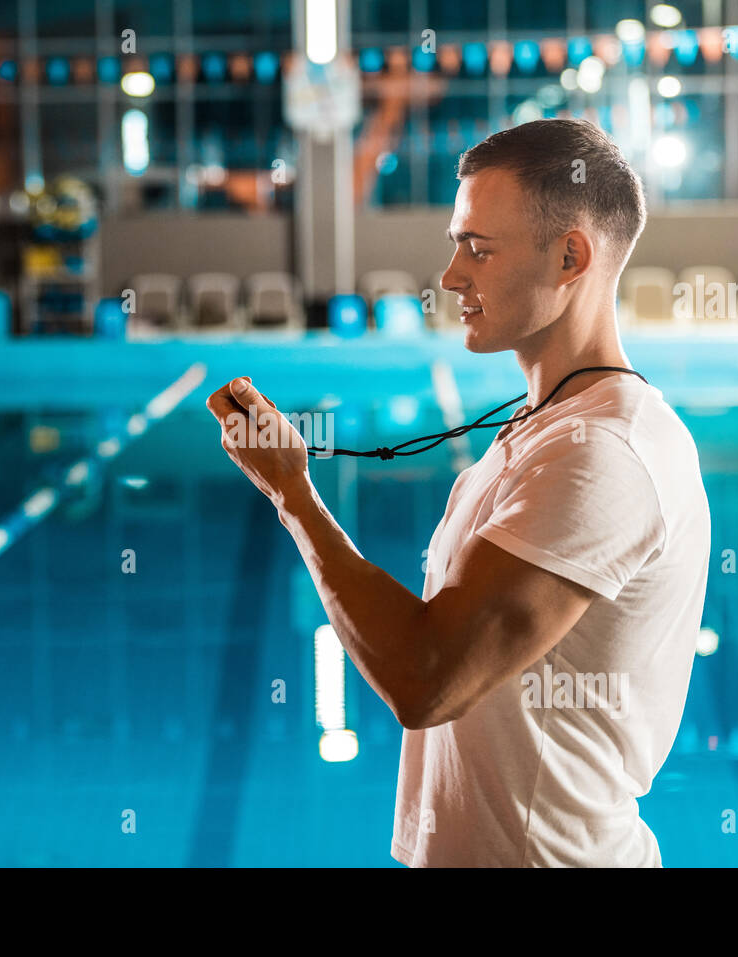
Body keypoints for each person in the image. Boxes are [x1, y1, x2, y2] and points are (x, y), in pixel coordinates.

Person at [205, 118, 711, 867]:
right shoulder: (539, 426)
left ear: (571, 256)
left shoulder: (604, 451)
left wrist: (295, 497)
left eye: (478, 247)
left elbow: (428, 677)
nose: (449, 276)